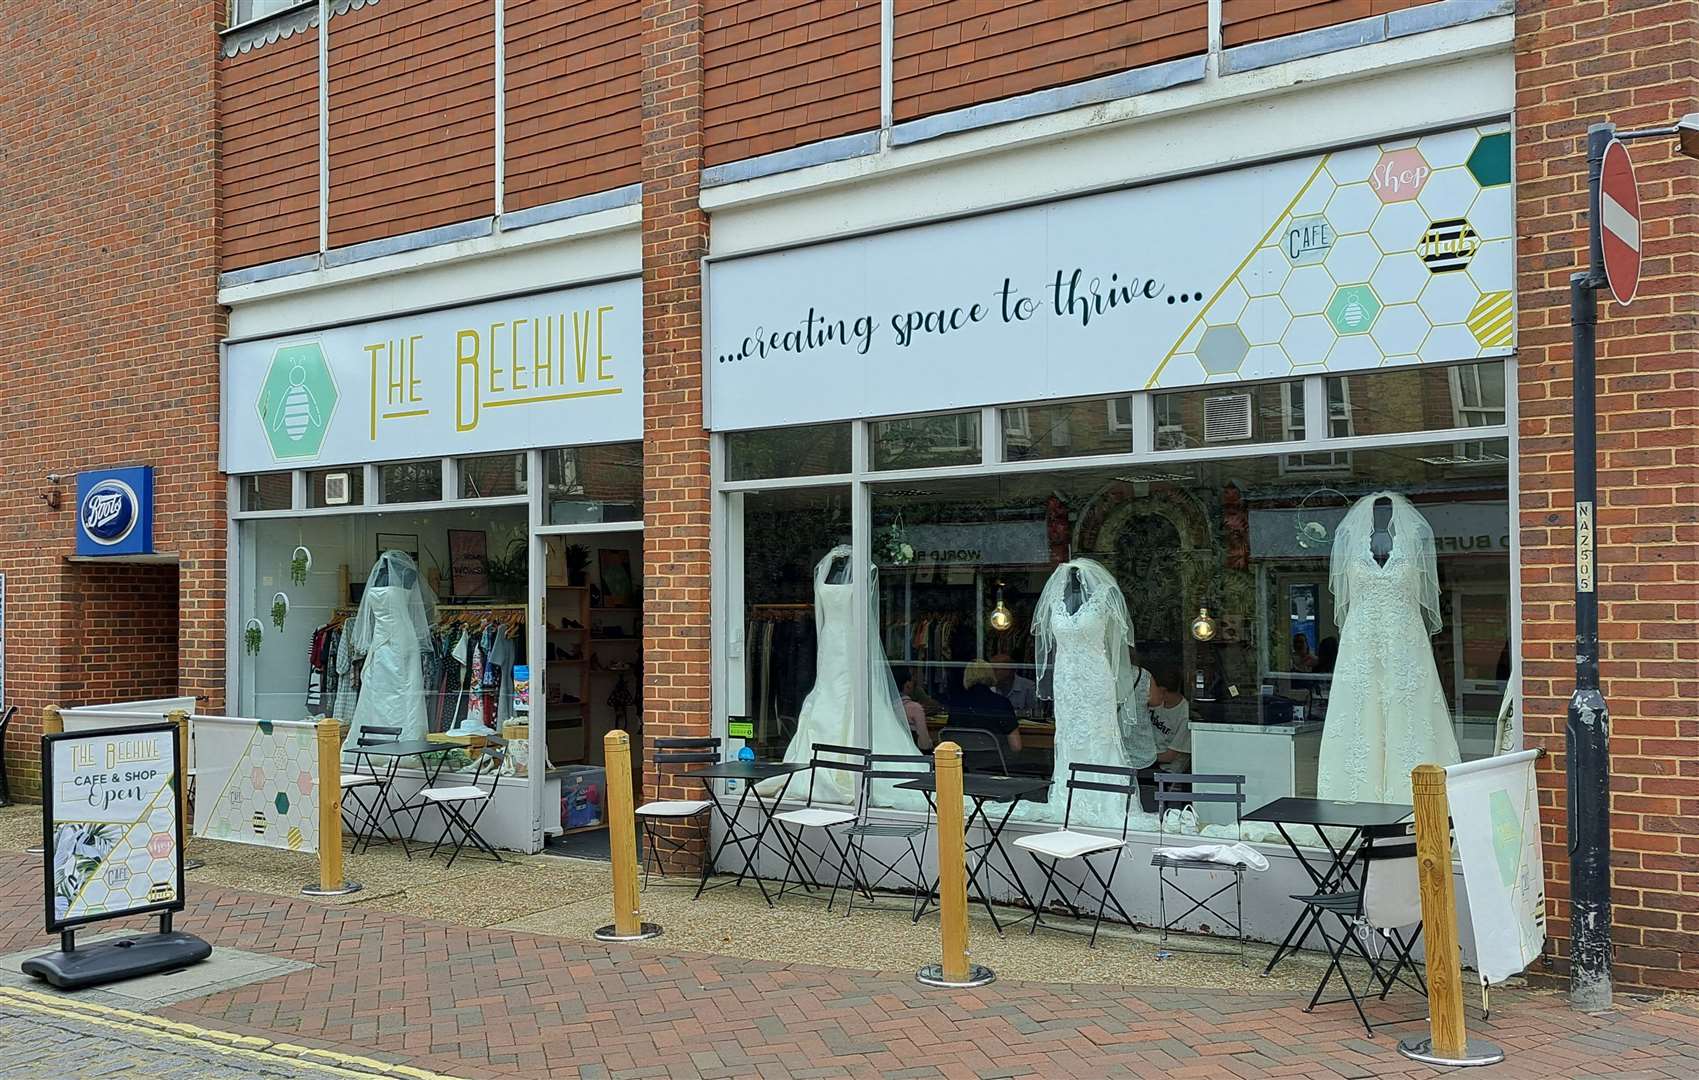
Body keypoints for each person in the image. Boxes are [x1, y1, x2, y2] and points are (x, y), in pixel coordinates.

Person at [951, 659, 1022, 754]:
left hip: (963, 763)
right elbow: (1016, 746)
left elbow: (948, 741)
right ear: (991, 674)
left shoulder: (956, 702)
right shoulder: (1001, 702)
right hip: (995, 762)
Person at [892, 665, 933, 752]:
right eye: (912, 679)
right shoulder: (915, 709)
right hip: (911, 756)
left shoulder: (884, 706)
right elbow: (924, 744)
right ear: (908, 685)